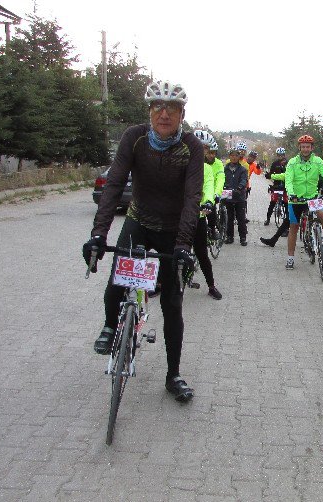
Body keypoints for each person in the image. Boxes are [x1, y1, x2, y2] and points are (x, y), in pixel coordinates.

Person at [82, 80, 203, 401]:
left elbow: (193, 197)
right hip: (138, 220)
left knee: (172, 302)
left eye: (172, 108)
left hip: (172, 229)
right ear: (149, 111)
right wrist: (98, 234)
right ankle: (110, 325)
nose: (164, 114)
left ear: (181, 113)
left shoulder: (191, 146)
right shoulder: (134, 138)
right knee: (117, 278)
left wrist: (182, 245)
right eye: (157, 107)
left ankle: (173, 374)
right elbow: (114, 184)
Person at [260, 134, 323, 270]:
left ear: (312, 148)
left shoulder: (318, 161)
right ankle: (290, 258)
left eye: (308, 147)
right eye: (303, 147)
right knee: (294, 226)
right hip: (296, 200)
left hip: (312, 197)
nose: (305, 149)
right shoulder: (293, 162)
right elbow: (288, 179)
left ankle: (322, 240)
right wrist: (291, 193)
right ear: (299, 148)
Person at [193, 130, 223, 300]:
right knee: (168, 251)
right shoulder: (177, 163)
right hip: (176, 216)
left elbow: (209, 186)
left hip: (197, 215)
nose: (200, 150)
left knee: (201, 253)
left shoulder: (207, 168)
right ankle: (160, 284)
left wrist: (209, 201)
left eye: (204, 148)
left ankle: (211, 286)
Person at [223, 147, 248, 245]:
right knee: (229, 218)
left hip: (239, 196)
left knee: (241, 218)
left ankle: (243, 238)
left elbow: (244, 179)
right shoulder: (225, 168)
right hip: (228, 196)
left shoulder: (242, 169)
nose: (234, 157)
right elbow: (222, 179)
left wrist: (240, 187)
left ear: (239, 157)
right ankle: (229, 237)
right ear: (229, 156)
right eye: (232, 155)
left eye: (236, 155)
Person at [264, 147, 288, 226]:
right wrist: (268, 175)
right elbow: (270, 174)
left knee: (286, 204)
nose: (280, 157)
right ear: (277, 155)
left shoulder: (288, 163)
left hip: (286, 186)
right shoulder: (275, 163)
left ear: (284, 155)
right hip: (276, 186)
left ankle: (287, 222)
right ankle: (267, 219)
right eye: (279, 155)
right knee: (272, 203)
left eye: (282, 155)